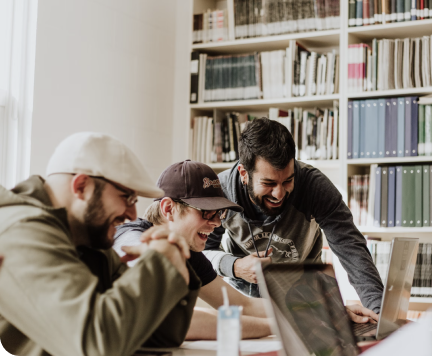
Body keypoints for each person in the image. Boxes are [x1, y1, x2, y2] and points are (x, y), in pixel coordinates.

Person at [0, 132, 199, 356]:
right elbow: (96, 345)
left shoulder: (89, 241)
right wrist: (161, 262)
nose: (133, 215)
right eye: (127, 197)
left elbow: (158, 336)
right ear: (81, 186)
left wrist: (173, 261)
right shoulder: (23, 231)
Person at [204, 117, 383, 321]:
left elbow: (351, 247)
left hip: (307, 302)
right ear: (244, 173)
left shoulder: (314, 186)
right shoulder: (221, 191)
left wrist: (379, 313)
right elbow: (203, 253)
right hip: (247, 305)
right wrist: (235, 266)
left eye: (288, 180)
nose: (279, 193)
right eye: (268, 183)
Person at [113, 160, 272, 340]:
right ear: (168, 209)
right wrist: (276, 327)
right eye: (206, 212)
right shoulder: (130, 238)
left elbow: (241, 305)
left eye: (219, 213)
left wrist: (299, 312)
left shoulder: (188, 253)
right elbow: (173, 319)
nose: (217, 223)